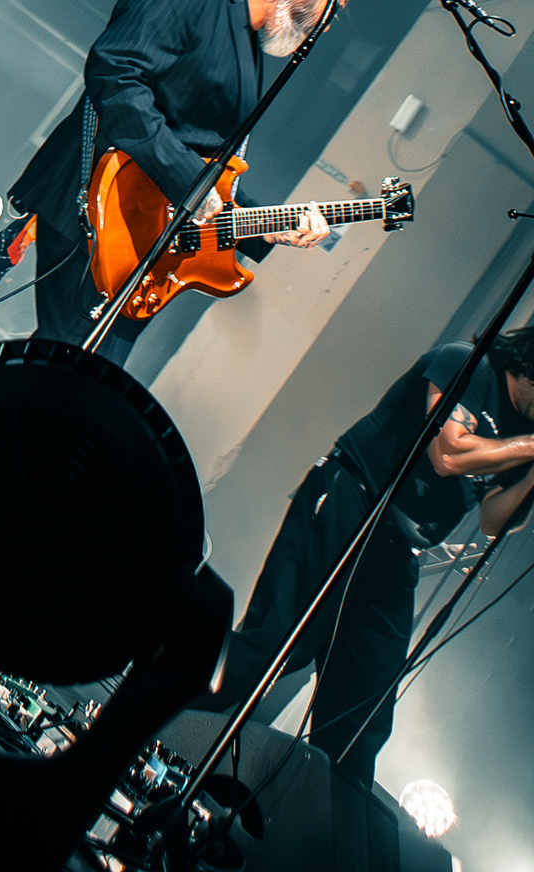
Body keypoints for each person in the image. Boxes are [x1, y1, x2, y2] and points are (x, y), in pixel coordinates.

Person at [0, 0, 351, 364]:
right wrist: (187, 182)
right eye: (335, 3)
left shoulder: (249, 46)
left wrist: (269, 226)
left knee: (69, 377)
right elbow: (116, 72)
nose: (329, 22)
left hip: (145, 237)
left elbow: (201, 160)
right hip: (99, 204)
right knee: (65, 374)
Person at [209, 325, 534, 782]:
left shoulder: (525, 434)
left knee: (360, 715)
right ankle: (148, 720)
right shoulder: (469, 363)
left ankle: (307, 815)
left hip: (399, 550)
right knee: (277, 646)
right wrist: (527, 447)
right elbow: (447, 453)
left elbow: (494, 521)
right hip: (353, 501)